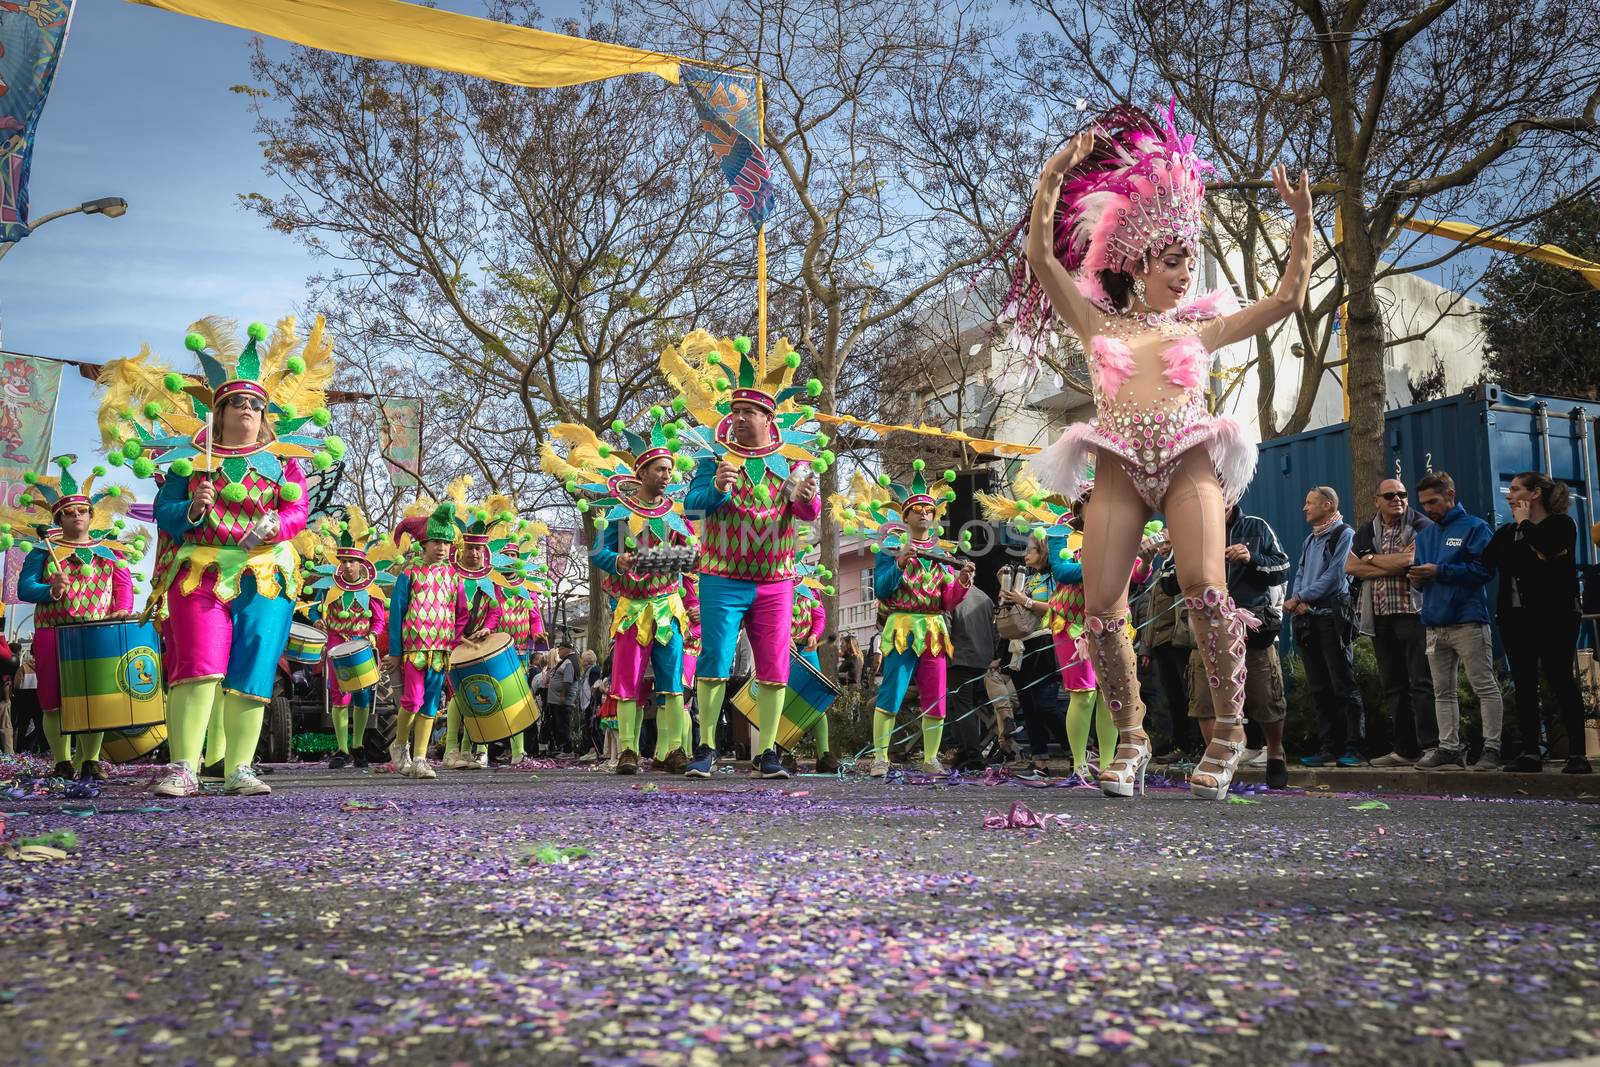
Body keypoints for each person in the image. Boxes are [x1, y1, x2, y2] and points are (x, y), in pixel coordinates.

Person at [1020, 104, 1314, 800]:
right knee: (1098, 607)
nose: (1186, 274)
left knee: (1206, 589)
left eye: (1189, 261)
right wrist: (1055, 173)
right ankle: (1131, 737)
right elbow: (1038, 256)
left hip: (1185, 460)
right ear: (1138, 261)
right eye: (1174, 260)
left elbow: (1286, 298)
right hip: (1118, 463)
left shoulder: (1200, 329)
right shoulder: (1096, 320)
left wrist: (1301, 223)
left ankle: (1229, 733)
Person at [120, 318, 323, 799]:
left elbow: (297, 509)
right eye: (240, 402)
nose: (250, 409)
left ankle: (239, 768)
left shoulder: (284, 457)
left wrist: (279, 525)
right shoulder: (189, 461)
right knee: (198, 665)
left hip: (268, 573)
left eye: (257, 403)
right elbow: (167, 513)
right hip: (200, 571)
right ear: (220, 410)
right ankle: (184, 767)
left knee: (253, 668)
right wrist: (192, 508)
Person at [668, 330, 824, 781]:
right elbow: (692, 508)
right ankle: (706, 748)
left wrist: (805, 495)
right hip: (722, 577)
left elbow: (809, 512)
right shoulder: (712, 458)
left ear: (767, 417)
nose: (737, 418)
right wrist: (716, 488)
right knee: (714, 660)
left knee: (774, 664)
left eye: (746, 411)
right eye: (734, 411)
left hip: (776, 579)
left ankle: (768, 751)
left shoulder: (794, 461)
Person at [545, 416, 698, 775]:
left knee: (673, 683)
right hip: (632, 609)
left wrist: (691, 588)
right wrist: (619, 559)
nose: (667, 476)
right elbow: (597, 553)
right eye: (660, 469)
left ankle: (671, 750)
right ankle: (628, 751)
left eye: (670, 470)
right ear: (642, 472)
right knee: (626, 682)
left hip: (668, 610)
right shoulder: (619, 513)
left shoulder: (677, 515)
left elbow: (691, 561)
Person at [10, 458, 139, 781]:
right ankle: (61, 760)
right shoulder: (42, 551)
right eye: (68, 513)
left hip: (95, 632)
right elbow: (24, 588)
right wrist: (50, 589)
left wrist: (122, 609)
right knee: (53, 701)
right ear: (58, 518)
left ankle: (90, 759)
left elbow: (123, 586)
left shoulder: (110, 550)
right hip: (53, 631)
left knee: (92, 700)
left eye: (81, 511)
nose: (76, 516)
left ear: (91, 515)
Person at [1485, 472, 1590, 774]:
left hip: (1555, 617)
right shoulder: (1510, 531)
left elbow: (1546, 549)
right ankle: (1531, 752)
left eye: (1515, 489)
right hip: (1516, 618)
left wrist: (1525, 526)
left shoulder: (1561, 525)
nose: (1509, 495)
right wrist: (1515, 532)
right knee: (1525, 684)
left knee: (1560, 680)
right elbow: (1488, 560)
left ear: (1534, 494)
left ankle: (1577, 754)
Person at [385, 503, 499, 779]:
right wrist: (395, 653)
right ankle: (400, 746)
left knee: (431, 705)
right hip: (414, 650)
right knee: (412, 700)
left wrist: (455, 638)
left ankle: (421, 759)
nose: (442, 548)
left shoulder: (454, 577)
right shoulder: (409, 574)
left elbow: (460, 612)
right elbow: (397, 614)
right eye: (436, 542)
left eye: (447, 543)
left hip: (440, 652)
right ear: (424, 544)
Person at [1410, 471, 1503, 770]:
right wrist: (1416, 578)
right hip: (1434, 624)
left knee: (1483, 686)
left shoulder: (1475, 527)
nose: (1428, 508)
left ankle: (1492, 748)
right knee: (1442, 691)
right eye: (1424, 503)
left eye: (1434, 501)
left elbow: (1485, 571)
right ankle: (1449, 748)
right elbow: (1421, 576)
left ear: (1450, 495)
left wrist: (1439, 571)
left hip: (1468, 621)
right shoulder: (1424, 535)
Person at [1348, 478, 1437, 768]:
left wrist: (1371, 559)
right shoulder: (1365, 530)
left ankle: (1431, 747)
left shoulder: (1421, 524)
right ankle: (1404, 749)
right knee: (1393, 685)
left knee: (1421, 682)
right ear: (1377, 500)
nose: (1397, 499)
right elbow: (1350, 566)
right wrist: (1393, 563)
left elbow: (1411, 560)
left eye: (1402, 494)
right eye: (1390, 495)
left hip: (1413, 613)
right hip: (1380, 615)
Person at [302, 511, 392, 770]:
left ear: (361, 564)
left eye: (352, 562)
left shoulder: (371, 589)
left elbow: (378, 620)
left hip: (362, 644)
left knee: (363, 696)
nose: (347, 566)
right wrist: (317, 618)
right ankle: (342, 749)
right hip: (336, 643)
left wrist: (373, 635)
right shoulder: (328, 586)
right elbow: (314, 609)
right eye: (343, 561)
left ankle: (359, 745)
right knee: (339, 696)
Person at [1285, 487, 1365, 768]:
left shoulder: (1344, 534)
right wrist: (1298, 600)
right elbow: (1299, 571)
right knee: (1319, 687)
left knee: (1343, 683)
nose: (1304, 508)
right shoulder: (1310, 539)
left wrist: (1301, 597)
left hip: (1333, 619)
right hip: (1309, 621)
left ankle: (1355, 748)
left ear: (1327, 505)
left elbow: (1335, 576)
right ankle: (1328, 747)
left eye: (1309, 503)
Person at [1219, 504, 1291, 788]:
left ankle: (1275, 752)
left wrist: (1252, 557)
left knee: (1265, 694)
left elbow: (1282, 567)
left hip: (1252, 626)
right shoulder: (1194, 526)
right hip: (1209, 625)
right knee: (1204, 697)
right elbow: (1171, 584)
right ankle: (1222, 759)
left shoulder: (1256, 526)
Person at [1000, 537, 1065, 776]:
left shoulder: (1054, 578)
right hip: (1020, 645)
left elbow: (1057, 607)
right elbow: (1012, 608)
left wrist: (1024, 600)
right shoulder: (1026, 578)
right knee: (1028, 705)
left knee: (1046, 703)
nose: (1026, 554)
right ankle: (1040, 760)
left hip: (1046, 641)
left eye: (1031, 550)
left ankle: (1080, 748)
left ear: (1043, 551)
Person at [1139, 551, 1199, 762]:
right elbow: (1150, 613)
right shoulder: (1160, 570)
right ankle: (1179, 742)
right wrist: (1146, 648)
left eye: (1166, 542)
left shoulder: (1184, 562)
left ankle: (1194, 745)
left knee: (1188, 695)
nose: (1162, 547)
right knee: (1173, 696)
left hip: (1181, 640)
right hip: (1161, 642)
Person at [944, 569, 999, 772]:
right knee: (972, 707)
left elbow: (946, 630)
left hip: (959, 659)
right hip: (983, 661)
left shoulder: (953, 597)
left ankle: (971, 755)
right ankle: (969, 752)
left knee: (962, 708)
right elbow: (995, 632)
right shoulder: (985, 599)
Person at [544, 641, 579, 756]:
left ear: (566, 649)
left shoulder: (569, 662)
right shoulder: (566, 661)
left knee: (564, 725)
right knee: (559, 725)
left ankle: (568, 751)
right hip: (556, 700)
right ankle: (563, 748)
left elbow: (568, 680)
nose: (558, 652)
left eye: (560, 650)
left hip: (563, 701)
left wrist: (562, 695)